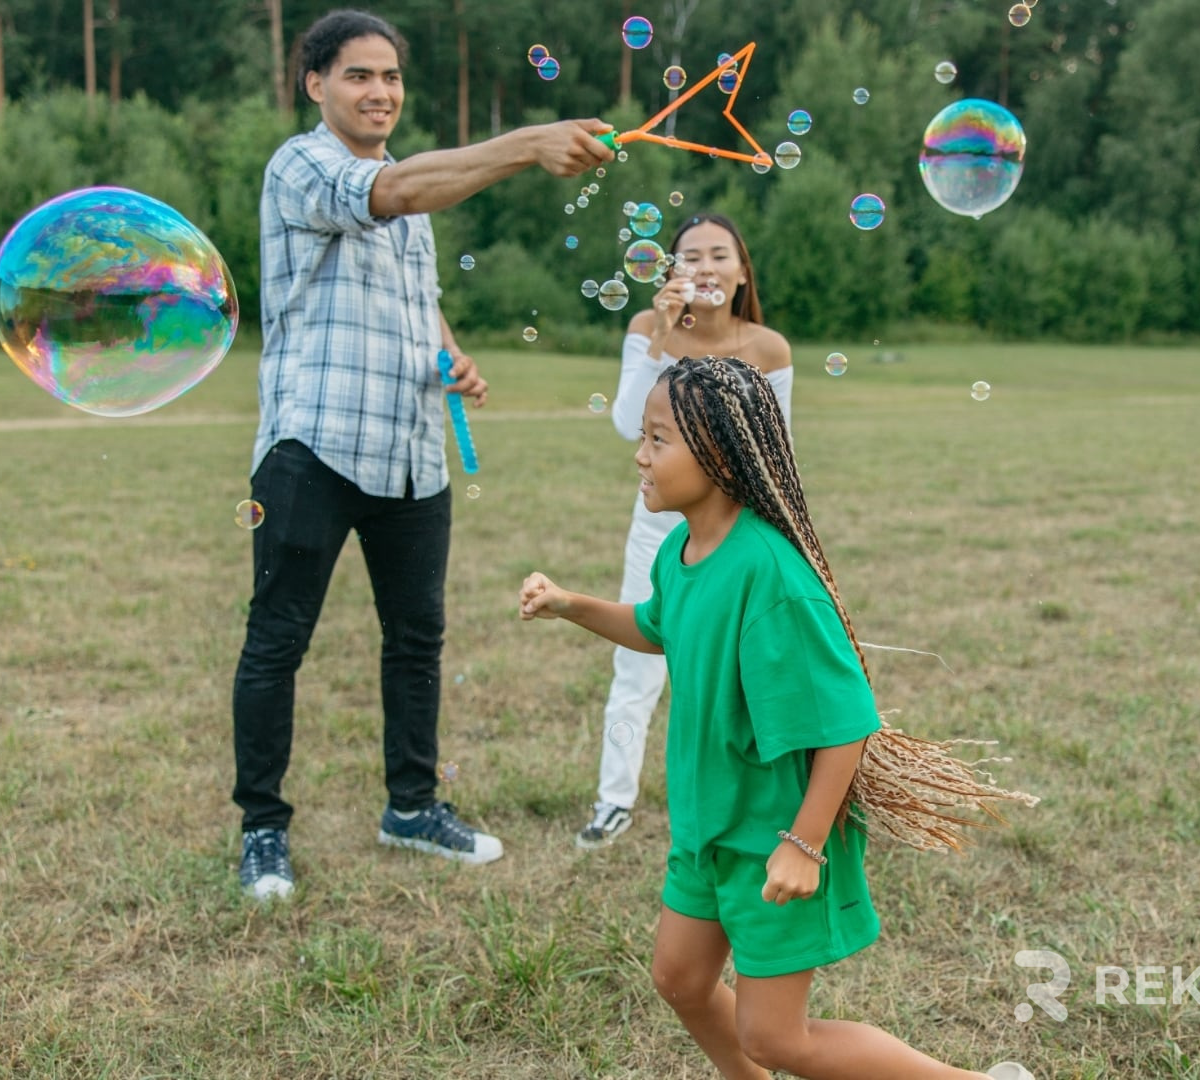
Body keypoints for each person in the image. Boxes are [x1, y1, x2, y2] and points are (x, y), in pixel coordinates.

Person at [519, 356, 1035, 1079]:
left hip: (773, 836)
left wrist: (804, 843)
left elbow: (849, 723)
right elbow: (657, 625)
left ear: (720, 453)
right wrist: (572, 604)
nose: (639, 454)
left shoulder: (771, 576)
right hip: (707, 826)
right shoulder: (684, 550)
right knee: (680, 979)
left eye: (658, 439)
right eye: (643, 435)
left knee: (777, 1039)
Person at [231, 8, 614, 900]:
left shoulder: (411, 184)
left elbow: (413, 288)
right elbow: (392, 195)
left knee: (416, 638)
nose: (380, 91)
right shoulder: (304, 165)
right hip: (312, 445)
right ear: (315, 83)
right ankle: (262, 830)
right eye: (359, 75)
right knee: (277, 640)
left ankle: (411, 807)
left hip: (410, 448)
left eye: (392, 76)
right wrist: (525, 144)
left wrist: (448, 351)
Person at [577, 213, 794, 849]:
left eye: (719, 255)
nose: (704, 267)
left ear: (742, 272)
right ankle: (613, 799)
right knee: (637, 664)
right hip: (658, 529)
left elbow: (780, 452)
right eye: (689, 256)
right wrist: (660, 341)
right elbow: (625, 425)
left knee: (746, 671)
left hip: (741, 538)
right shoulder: (649, 329)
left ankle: (756, 803)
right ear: (670, 273)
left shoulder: (768, 348)